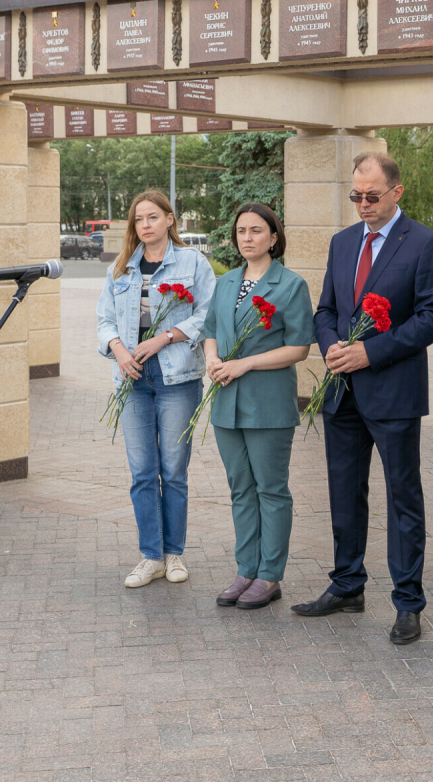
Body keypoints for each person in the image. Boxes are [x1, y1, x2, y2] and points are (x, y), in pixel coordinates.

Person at [292, 152, 433, 645]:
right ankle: (347, 585)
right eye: (356, 196)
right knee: (344, 492)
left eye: (372, 196)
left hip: (393, 392)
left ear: (396, 193)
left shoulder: (424, 243)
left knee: (403, 498)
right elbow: (325, 309)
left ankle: (408, 602)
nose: (362, 204)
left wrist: (371, 352)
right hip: (342, 392)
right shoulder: (342, 243)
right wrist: (332, 344)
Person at [97, 191, 216, 588]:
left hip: (176, 378)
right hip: (132, 380)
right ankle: (150, 556)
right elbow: (104, 320)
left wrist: (164, 337)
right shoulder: (121, 268)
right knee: (143, 472)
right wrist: (118, 350)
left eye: (152, 217)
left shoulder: (192, 262)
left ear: (169, 219)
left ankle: (174, 553)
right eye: (138, 219)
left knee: (173, 470)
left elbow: (206, 315)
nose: (144, 225)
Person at [203, 204, 315, 610]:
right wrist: (212, 360)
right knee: (240, 490)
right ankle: (245, 569)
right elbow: (211, 329)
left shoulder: (290, 284)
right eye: (241, 231)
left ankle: (269, 575)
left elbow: (300, 347)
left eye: (256, 230)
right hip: (226, 403)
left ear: (273, 237)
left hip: (266, 401)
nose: (247, 237)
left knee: (270, 489)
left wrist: (245, 362)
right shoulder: (227, 281)